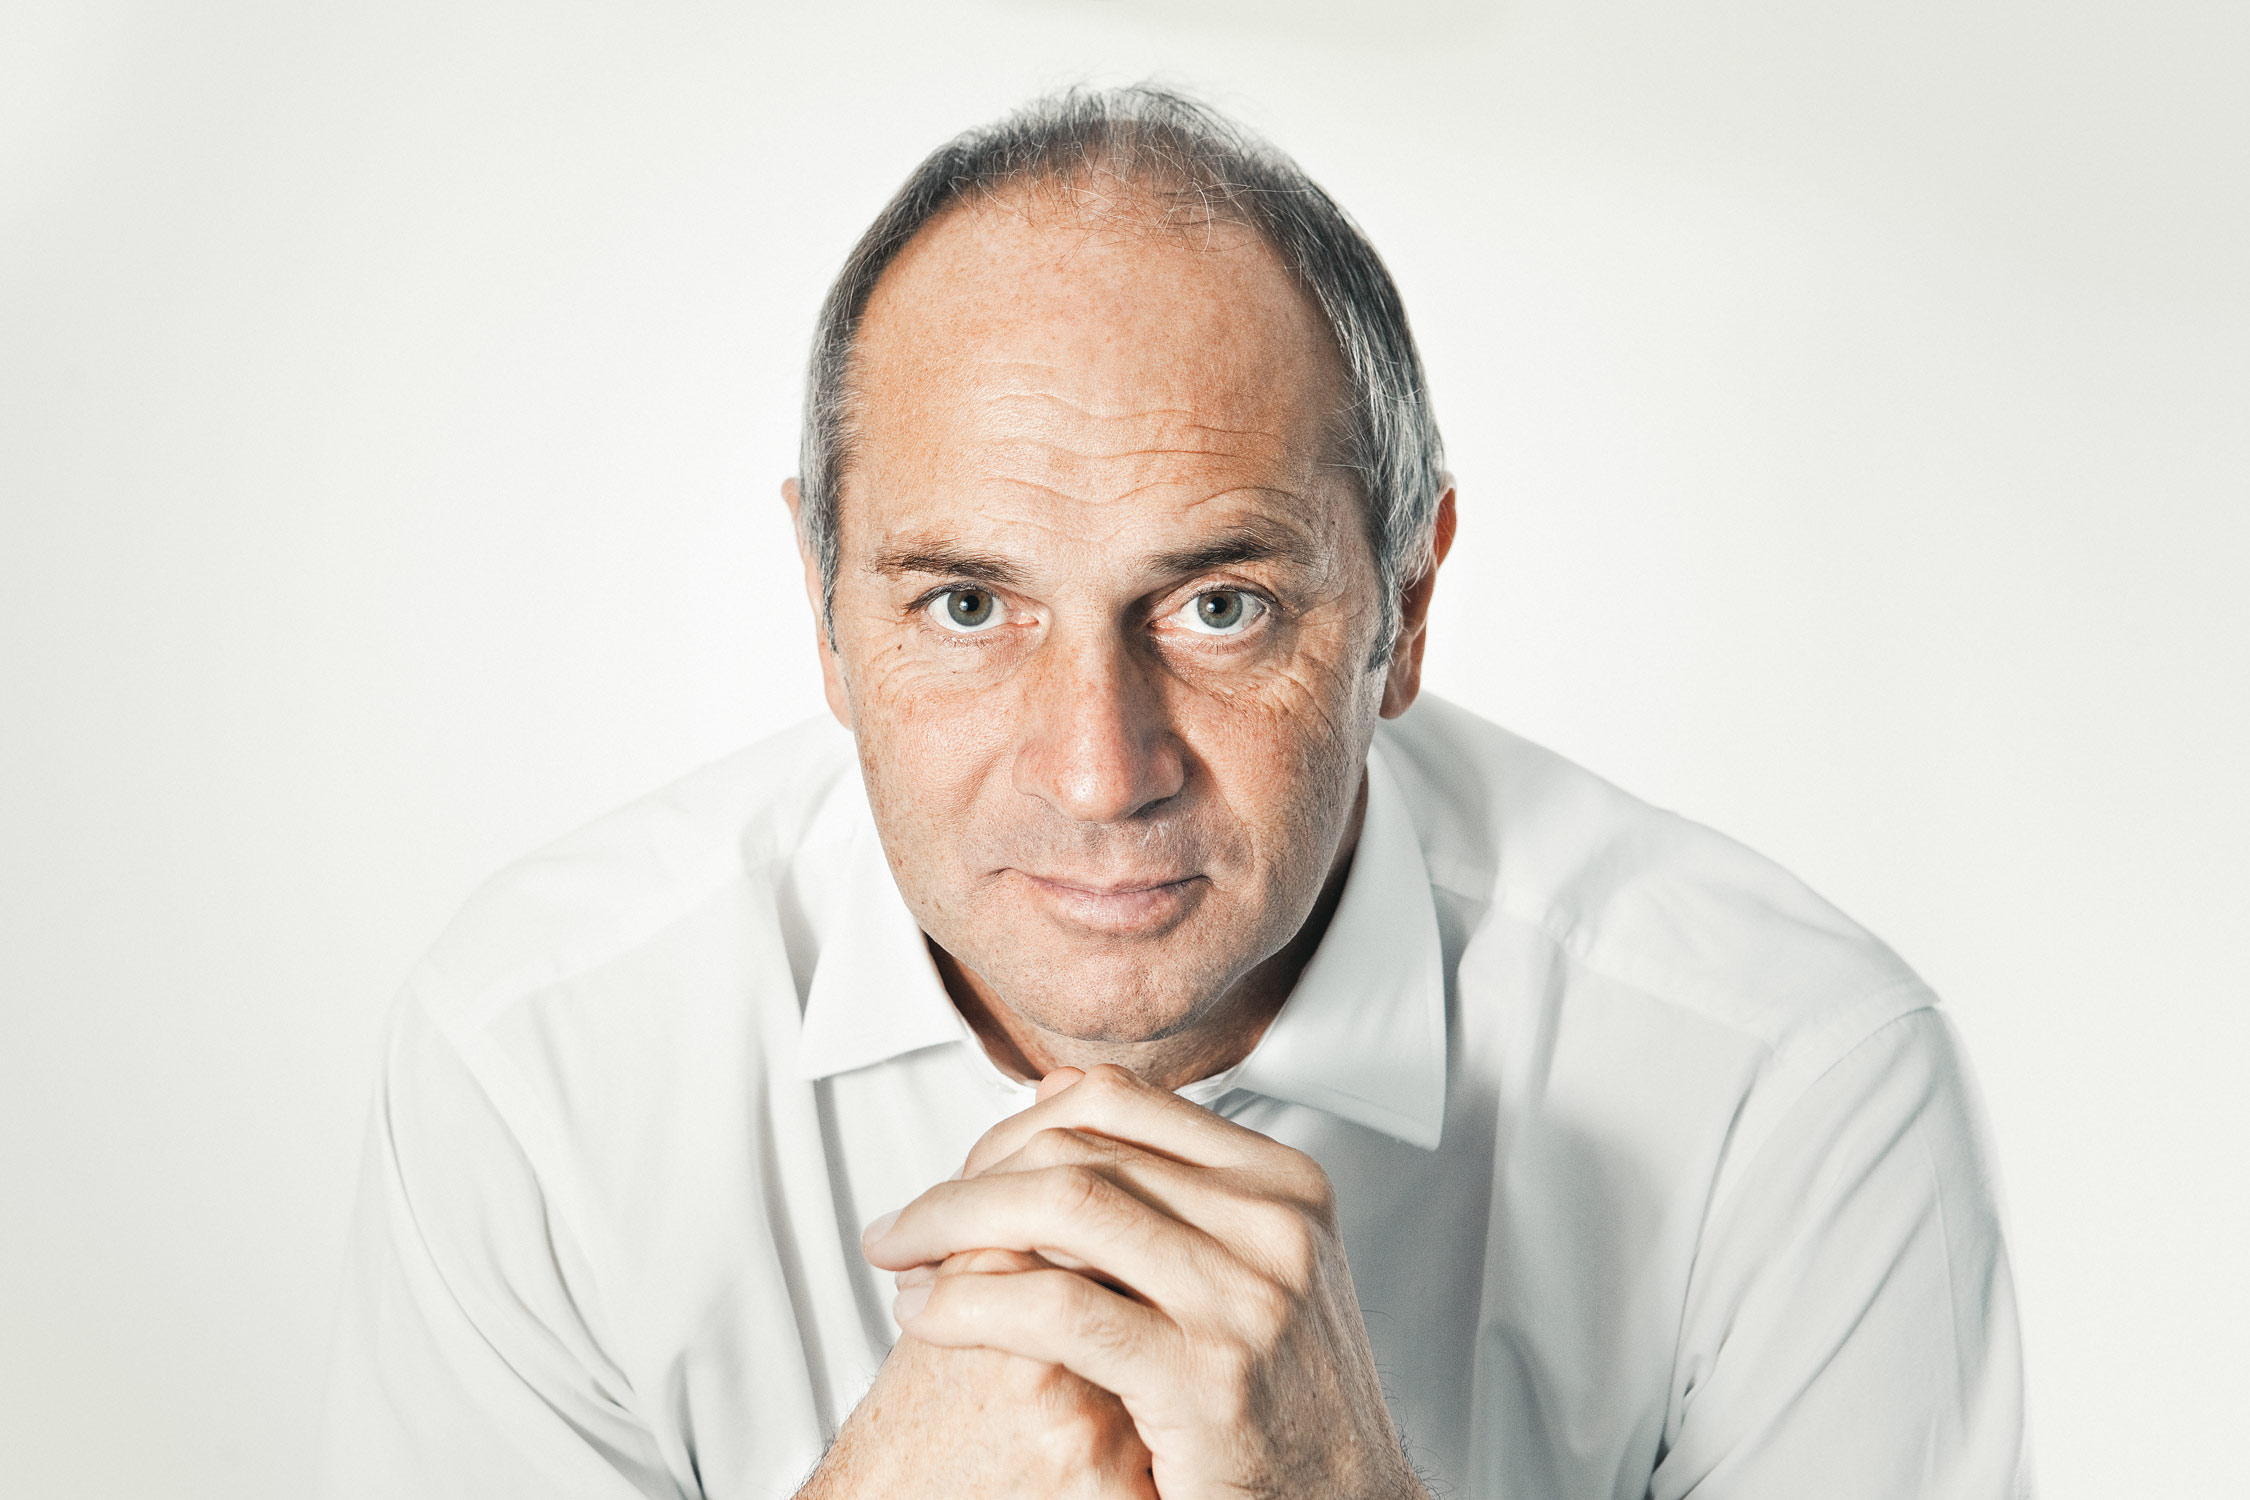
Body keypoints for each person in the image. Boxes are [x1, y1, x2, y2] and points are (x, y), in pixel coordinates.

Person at [317, 87, 2028, 1499]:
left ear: (1402, 607)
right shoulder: (541, 1062)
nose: (1095, 770)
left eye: (1220, 607)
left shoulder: (1788, 1088)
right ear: (823, 611)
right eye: (966, 606)